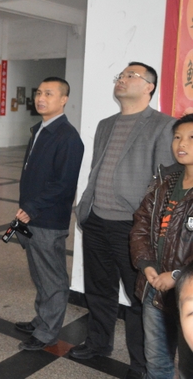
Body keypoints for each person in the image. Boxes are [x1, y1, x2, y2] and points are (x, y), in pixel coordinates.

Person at [72, 62, 175, 379]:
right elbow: (97, 167)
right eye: (121, 75)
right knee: (98, 289)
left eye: (131, 76)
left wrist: (152, 230)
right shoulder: (106, 124)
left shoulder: (163, 126)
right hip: (96, 220)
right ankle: (98, 343)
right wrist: (84, 207)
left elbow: (165, 184)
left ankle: (141, 363)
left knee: (138, 297)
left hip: (132, 227)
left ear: (149, 87)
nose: (122, 79)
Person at [13, 77, 84, 351]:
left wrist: (31, 208)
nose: (41, 98)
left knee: (52, 278)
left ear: (64, 99)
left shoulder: (68, 137)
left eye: (49, 94)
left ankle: (47, 333)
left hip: (47, 219)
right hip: (31, 215)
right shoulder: (40, 129)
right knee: (39, 273)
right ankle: (41, 319)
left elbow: (63, 184)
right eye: (39, 93)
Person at [130, 114, 193, 378]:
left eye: (191, 138)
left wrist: (177, 276)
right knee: (156, 359)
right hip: (155, 287)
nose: (182, 144)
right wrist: (146, 265)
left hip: (188, 290)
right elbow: (141, 224)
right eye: (177, 137)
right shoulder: (165, 182)